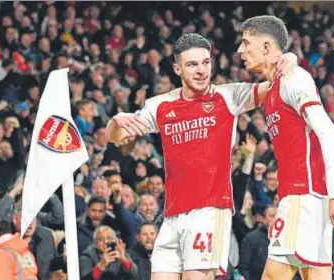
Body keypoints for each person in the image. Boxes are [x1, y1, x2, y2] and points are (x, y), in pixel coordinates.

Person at [106, 33, 297, 280]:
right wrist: (115, 121)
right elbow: (115, 136)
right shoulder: (161, 105)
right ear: (177, 69)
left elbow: (274, 84)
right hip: (172, 215)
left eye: (205, 63)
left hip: (210, 210)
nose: (201, 70)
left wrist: (289, 58)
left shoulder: (228, 96)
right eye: (192, 64)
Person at [237, 15, 334, 280]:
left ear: (266, 47)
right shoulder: (274, 87)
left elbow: (328, 131)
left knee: (273, 276)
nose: (240, 51)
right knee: (317, 275)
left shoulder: (292, 78)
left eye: (246, 43)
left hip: (306, 196)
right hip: (305, 198)